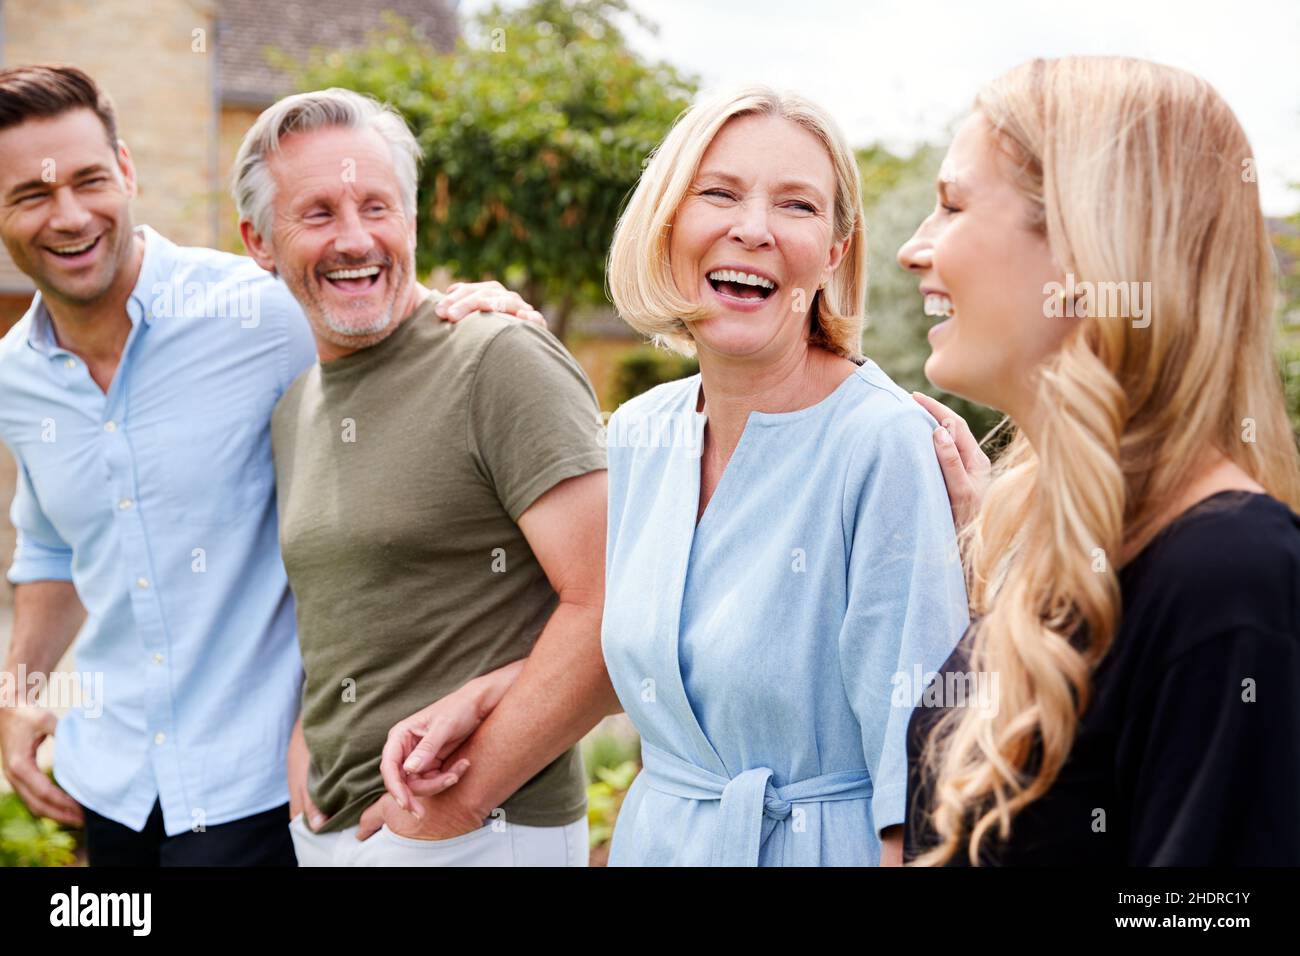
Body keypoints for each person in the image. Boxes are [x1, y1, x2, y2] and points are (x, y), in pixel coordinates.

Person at [0, 64, 535, 866]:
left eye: (90, 180)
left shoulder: (256, 310)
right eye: (32, 195)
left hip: (267, 789)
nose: (70, 216)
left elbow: (369, 296)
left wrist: (476, 310)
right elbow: (50, 552)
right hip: (108, 789)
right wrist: (21, 695)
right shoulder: (14, 379)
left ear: (128, 173)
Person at [898, 56, 1300, 866]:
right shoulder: (1058, 545)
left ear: (1088, 250)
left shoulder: (1230, 571)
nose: (914, 250)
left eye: (950, 206)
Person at [234, 88, 617, 866]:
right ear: (259, 241)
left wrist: (456, 807)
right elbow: (351, 608)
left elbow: (616, 611)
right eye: (317, 214)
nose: (355, 240)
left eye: (378, 207)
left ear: (411, 219)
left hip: (480, 830)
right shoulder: (294, 409)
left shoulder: (495, 358)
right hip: (336, 835)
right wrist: (309, 748)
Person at [593, 87, 968, 866]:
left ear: (834, 252)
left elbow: (919, 767)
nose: (753, 229)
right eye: (720, 193)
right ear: (668, 224)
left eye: (796, 206)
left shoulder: (883, 444)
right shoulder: (637, 434)